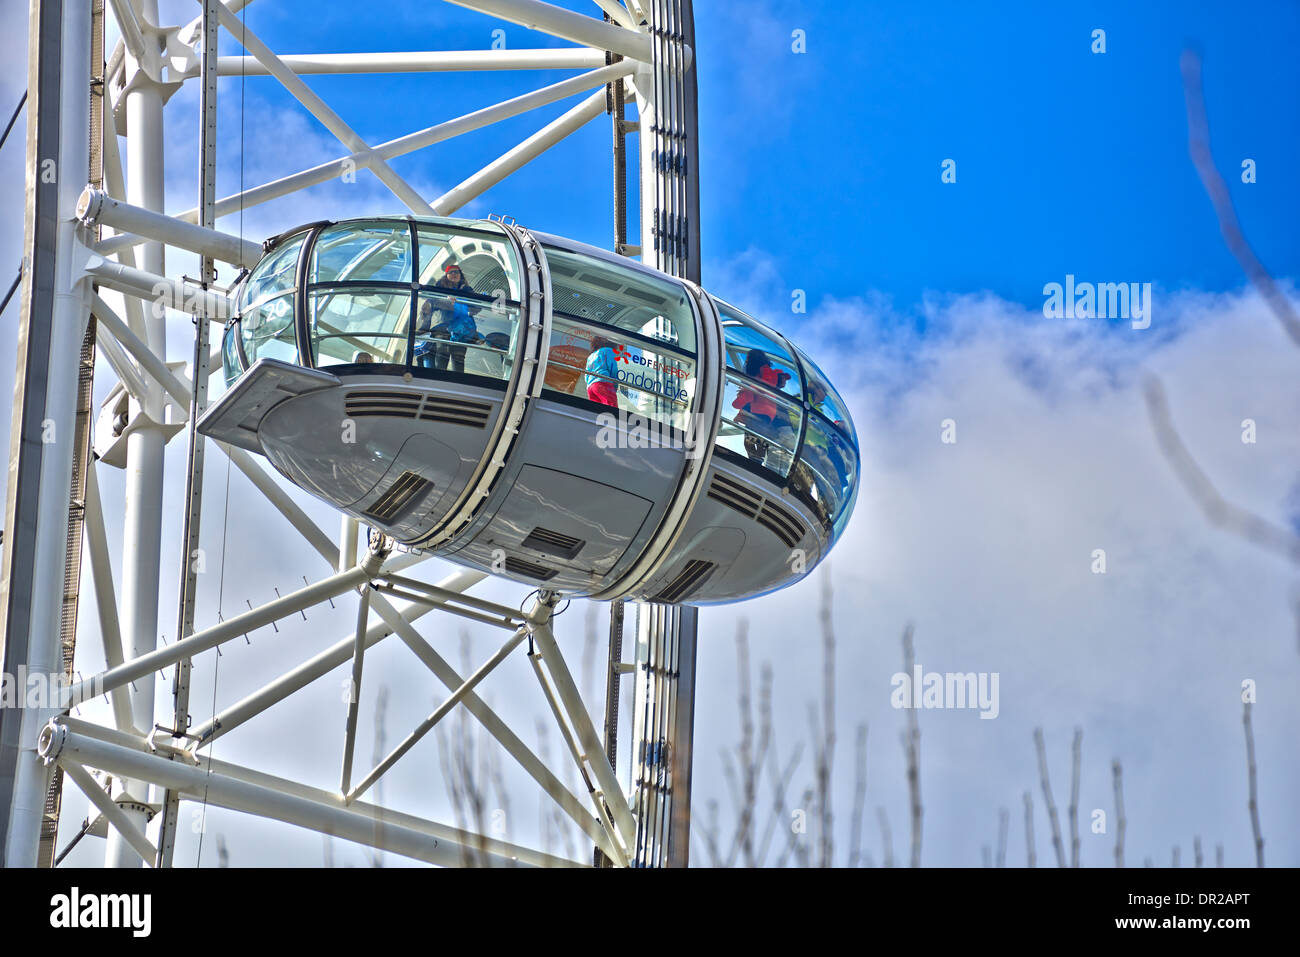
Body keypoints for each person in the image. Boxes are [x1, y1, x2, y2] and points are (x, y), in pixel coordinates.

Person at [418, 260, 481, 374]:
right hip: (442, 327)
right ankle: (438, 382)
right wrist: (448, 303)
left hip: (461, 329)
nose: (454, 274)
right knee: (442, 355)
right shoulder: (439, 287)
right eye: (451, 272)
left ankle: (457, 384)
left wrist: (460, 305)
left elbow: (477, 307)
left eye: (456, 272)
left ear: (460, 275)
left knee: (459, 359)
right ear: (446, 275)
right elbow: (430, 305)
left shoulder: (467, 290)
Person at [732, 349, 795, 465]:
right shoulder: (768, 374)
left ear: (752, 361)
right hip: (766, 415)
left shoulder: (758, 377)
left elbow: (749, 395)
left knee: (751, 440)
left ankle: (755, 463)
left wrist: (739, 401)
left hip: (757, 413)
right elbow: (783, 379)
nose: (746, 363)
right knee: (758, 441)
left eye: (747, 360)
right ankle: (757, 462)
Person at [584, 335, 619, 406]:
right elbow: (613, 368)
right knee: (612, 407)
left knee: (595, 410)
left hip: (590, 387)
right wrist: (615, 385)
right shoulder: (609, 351)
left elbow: (586, 375)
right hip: (603, 383)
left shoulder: (591, 356)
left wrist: (589, 384)